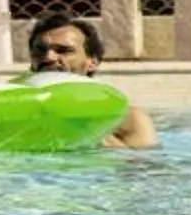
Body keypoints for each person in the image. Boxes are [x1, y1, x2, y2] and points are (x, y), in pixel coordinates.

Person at [27, 14, 160, 149]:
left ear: (92, 63)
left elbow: (145, 166)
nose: (48, 57)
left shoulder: (128, 120)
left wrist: (94, 136)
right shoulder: (16, 111)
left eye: (64, 50)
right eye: (40, 50)